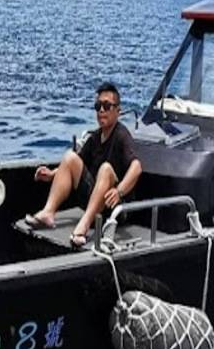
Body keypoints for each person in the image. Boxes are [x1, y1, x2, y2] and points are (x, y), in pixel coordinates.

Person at [25, 82, 143, 247]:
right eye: (98, 106)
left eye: (107, 106)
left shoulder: (122, 135)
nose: (101, 110)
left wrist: (119, 191)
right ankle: (48, 213)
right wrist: (52, 175)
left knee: (106, 169)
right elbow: (76, 162)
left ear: (118, 111)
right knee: (70, 157)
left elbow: (136, 167)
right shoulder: (95, 137)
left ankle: (83, 226)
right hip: (94, 202)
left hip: (114, 209)